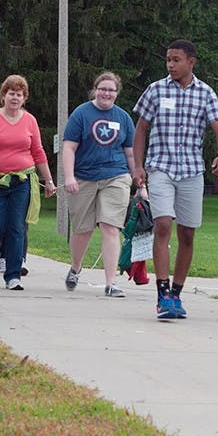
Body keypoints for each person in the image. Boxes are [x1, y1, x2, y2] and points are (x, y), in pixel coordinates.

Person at [133, 39, 218, 319]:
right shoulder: (156, 90)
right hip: (160, 167)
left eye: (176, 60)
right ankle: (162, 295)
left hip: (191, 170)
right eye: (168, 60)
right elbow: (141, 130)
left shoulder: (206, 93)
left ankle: (176, 293)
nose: (171, 65)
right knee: (163, 224)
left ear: (191, 62)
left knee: (187, 233)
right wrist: (137, 166)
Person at [0, 75, 57, 291]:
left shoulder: (30, 121)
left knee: (17, 228)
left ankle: (13, 275)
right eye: (11, 93)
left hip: (22, 181)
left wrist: (48, 179)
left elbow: (38, 151)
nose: (14, 97)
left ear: (24, 98)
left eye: (19, 94)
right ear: (4, 96)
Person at [62, 72, 137, 298]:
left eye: (111, 90)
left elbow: (131, 154)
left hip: (116, 175)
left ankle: (111, 283)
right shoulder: (81, 114)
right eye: (102, 89)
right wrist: (69, 177)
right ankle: (76, 267)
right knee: (82, 230)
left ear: (117, 93)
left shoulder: (123, 118)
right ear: (95, 90)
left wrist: (139, 182)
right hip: (84, 176)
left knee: (110, 226)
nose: (106, 93)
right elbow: (69, 147)